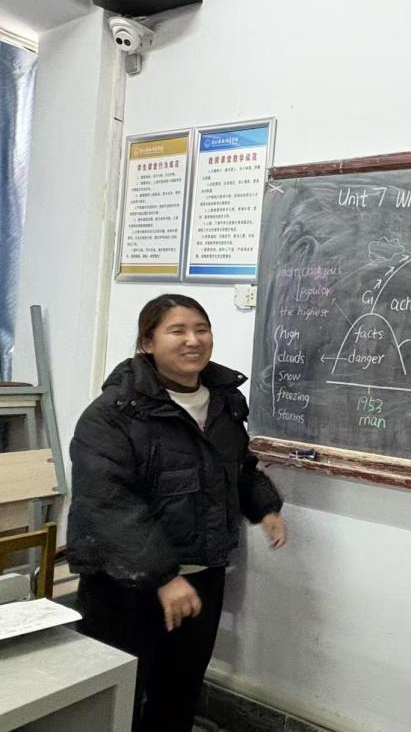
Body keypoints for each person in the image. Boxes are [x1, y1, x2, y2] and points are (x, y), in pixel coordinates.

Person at [68, 294, 287, 732]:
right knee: (117, 698)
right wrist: (163, 577)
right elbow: (109, 503)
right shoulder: (112, 414)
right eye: (178, 331)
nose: (193, 340)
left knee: (179, 693)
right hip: (125, 583)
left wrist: (265, 507)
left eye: (201, 330)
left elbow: (236, 467)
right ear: (147, 342)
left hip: (201, 575)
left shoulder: (223, 402)